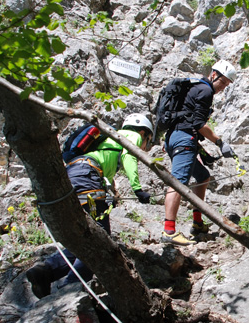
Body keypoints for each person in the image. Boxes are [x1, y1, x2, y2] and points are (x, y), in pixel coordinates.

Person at [25, 114, 155, 299]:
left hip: (74, 176)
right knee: (100, 240)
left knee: (86, 236)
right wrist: (137, 189)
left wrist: (109, 198)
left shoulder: (108, 141)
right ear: (144, 132)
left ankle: (46, 271)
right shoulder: (131, 134)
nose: (145, 147)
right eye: (147, 142)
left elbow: (105, 177)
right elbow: (128, 158)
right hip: (87, 177)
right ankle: (70, 290)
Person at [162, 60, 238, 246]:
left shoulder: (194, 88)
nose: (223, 87)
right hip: (184, 140)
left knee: (203, 176)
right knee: (178, 182)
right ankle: (169, 231)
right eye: (223, 82)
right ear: (214, 74)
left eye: (227, 84)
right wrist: (220, 142)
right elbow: (198, 124)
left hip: (175, 138)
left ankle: (197, 223)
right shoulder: (205, 91)